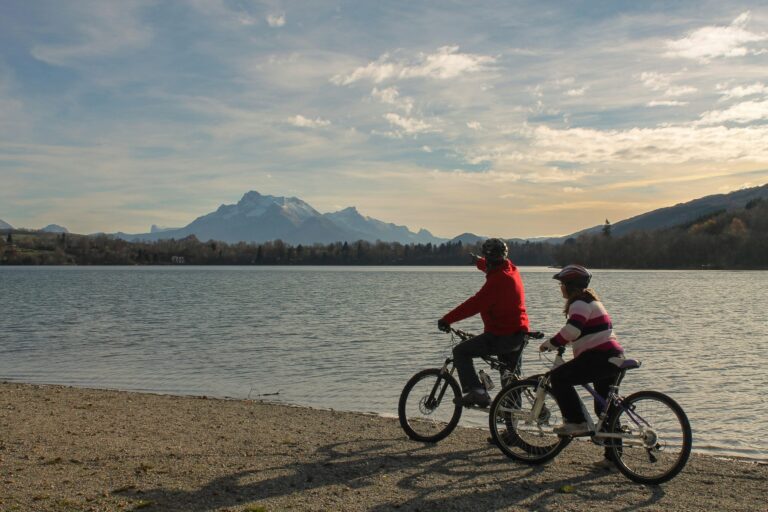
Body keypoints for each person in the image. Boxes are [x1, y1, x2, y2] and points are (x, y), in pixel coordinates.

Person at [539, 264, 625, 469]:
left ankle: (576, 421)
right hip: (613, 356)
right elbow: (589, 332)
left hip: (599, 357)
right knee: (605, 408)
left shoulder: (578, 303)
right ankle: (614, 459)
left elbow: (573, 330)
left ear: (570, 286)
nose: (560, 288)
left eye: (562, 284)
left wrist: (552, 343)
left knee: (559, 377)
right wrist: (567, 343)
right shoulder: (592, 301)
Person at [438, 238, 529, 407]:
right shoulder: (511, 269)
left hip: (501, 336)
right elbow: (489, 266)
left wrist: (447, 319)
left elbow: (473, 305)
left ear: (489, 259)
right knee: (510, 382)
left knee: (460, 351)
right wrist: (477, 261)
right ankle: (511, 422)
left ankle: (478, 392)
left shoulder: (496, 282)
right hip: (519, 334)